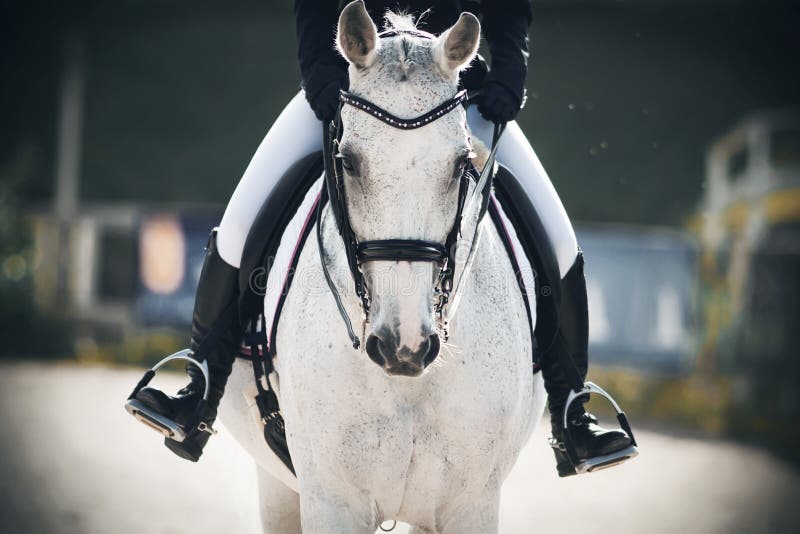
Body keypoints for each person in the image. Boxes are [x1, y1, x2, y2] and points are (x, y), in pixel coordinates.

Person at [131, 0, 632, 477]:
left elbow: (510, 7)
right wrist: (322, 75)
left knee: (561, 244)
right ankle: (200, 391)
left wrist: (509, 73)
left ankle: (571, 413)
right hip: (354, 85)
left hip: (456, 91)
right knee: (240, 224)